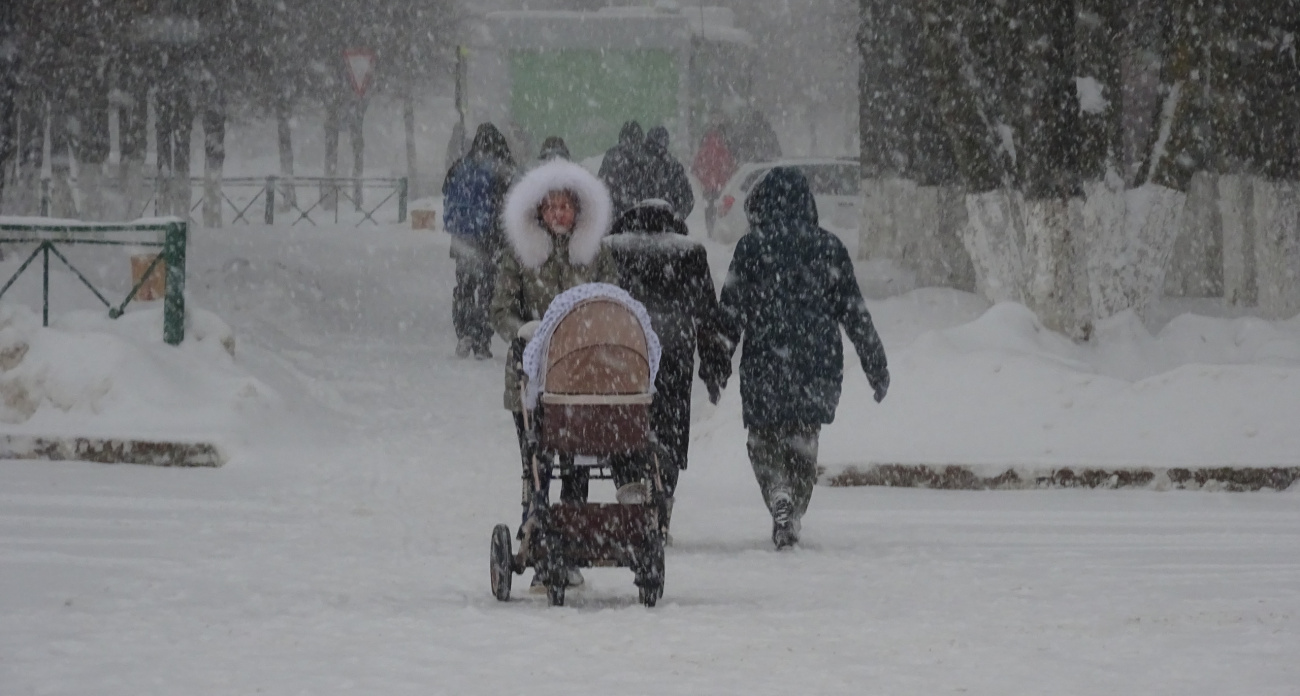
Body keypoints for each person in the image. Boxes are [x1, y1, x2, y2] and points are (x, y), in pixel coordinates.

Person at [718, 167, 889, 550]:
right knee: (803, 438)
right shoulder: (829, 248)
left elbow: (730, 312)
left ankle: (777, 492)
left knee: (763, 438)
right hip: (817, 361)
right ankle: (792, 508)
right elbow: (855, 313)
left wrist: (717, 365)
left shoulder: (751, 247)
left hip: (766, 358)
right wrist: (875, 364)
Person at [491, 158, 619, 588]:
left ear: (579, 212)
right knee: (539, 463)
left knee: (579, 462)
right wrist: (521, 330)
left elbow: (614, 300)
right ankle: (540, 537)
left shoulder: (597, 255)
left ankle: (572, 541)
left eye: (567, 206)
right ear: (539, 212)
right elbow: (501, 310)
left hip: (584, 378)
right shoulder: (521, 257)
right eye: (552, 207)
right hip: (532, 380)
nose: (560, 214)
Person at [603, 200, 730, 538]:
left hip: (624, 351)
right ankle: (662, 500)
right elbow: (706, 315)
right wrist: (714, 368)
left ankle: (630, 490)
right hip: (674, 352)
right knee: (670, 426)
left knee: (624, 422)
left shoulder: (611, 249)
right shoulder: (689, 253)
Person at [442, 123, 515, 359]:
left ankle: (463, 332)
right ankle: (481, 339)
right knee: (488, 290)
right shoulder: (499, 171)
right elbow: (508, 204)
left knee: (464, 286)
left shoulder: (460, 166)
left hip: (462, 237)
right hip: (489, 239)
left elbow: (446, 190)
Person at [691, 113, 736, 237]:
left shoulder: (705, 146)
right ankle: (717, 227)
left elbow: (697, 165)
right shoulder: (723, 145)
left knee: (709, 206)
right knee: (720, 205)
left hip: (708, 183)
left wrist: (703, 178)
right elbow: (729, 164)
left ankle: (709, 228)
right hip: (720, 183)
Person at [598, 120, 649, 217]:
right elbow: (646, 187)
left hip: (612, 212)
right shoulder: (642, 157)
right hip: (637, 214)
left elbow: (602, 182)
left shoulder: (611, 154)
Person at [642, 126, 694, 220]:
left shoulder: (638, 162)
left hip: (639, 222)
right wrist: (678, 217)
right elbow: (688, 198)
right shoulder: (673, 165)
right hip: (666, 222)